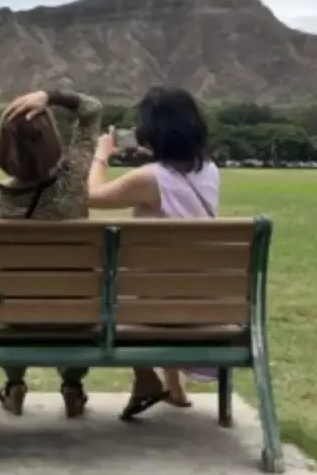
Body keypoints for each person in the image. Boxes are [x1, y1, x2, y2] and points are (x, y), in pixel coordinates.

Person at [85, 86, 220, 420]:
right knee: (162, 280)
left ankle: (147, 379)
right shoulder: (210, 171)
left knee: (108, 288)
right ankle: (172, 387)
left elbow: (92, 195)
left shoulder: (149, 179)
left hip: (157, 305)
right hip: (206, 301)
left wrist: (102, 154)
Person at [0, 88, 102, 419]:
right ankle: (73, 385)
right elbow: (91, 109)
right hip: (74, 312)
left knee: (6, 301)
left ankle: (14, 384)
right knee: (69, 310)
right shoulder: (73, 180)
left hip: (15, 314)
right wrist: (51, 95)